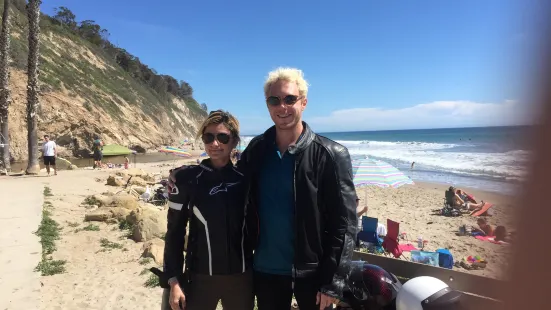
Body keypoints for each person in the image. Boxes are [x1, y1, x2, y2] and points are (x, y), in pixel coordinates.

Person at [238, 67, 357, 310]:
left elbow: (344, 225)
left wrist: (333, 281)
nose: (282, 107)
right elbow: (232, 183)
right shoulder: (257, 150)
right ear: (268, 105)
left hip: (312, 272)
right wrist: (188, 174)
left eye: (290, 99)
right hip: (265, 269)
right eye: (275, 100)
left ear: (303, 102)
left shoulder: (331, 155)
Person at [162, 110, 254, 310]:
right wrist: (174, 280)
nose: (215, 144)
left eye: (222, 137)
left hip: (242, 278)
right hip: (200, 278)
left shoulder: (246, 179)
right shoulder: (186, 180)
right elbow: (174, 233)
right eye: (208, 137)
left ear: (234, 141)